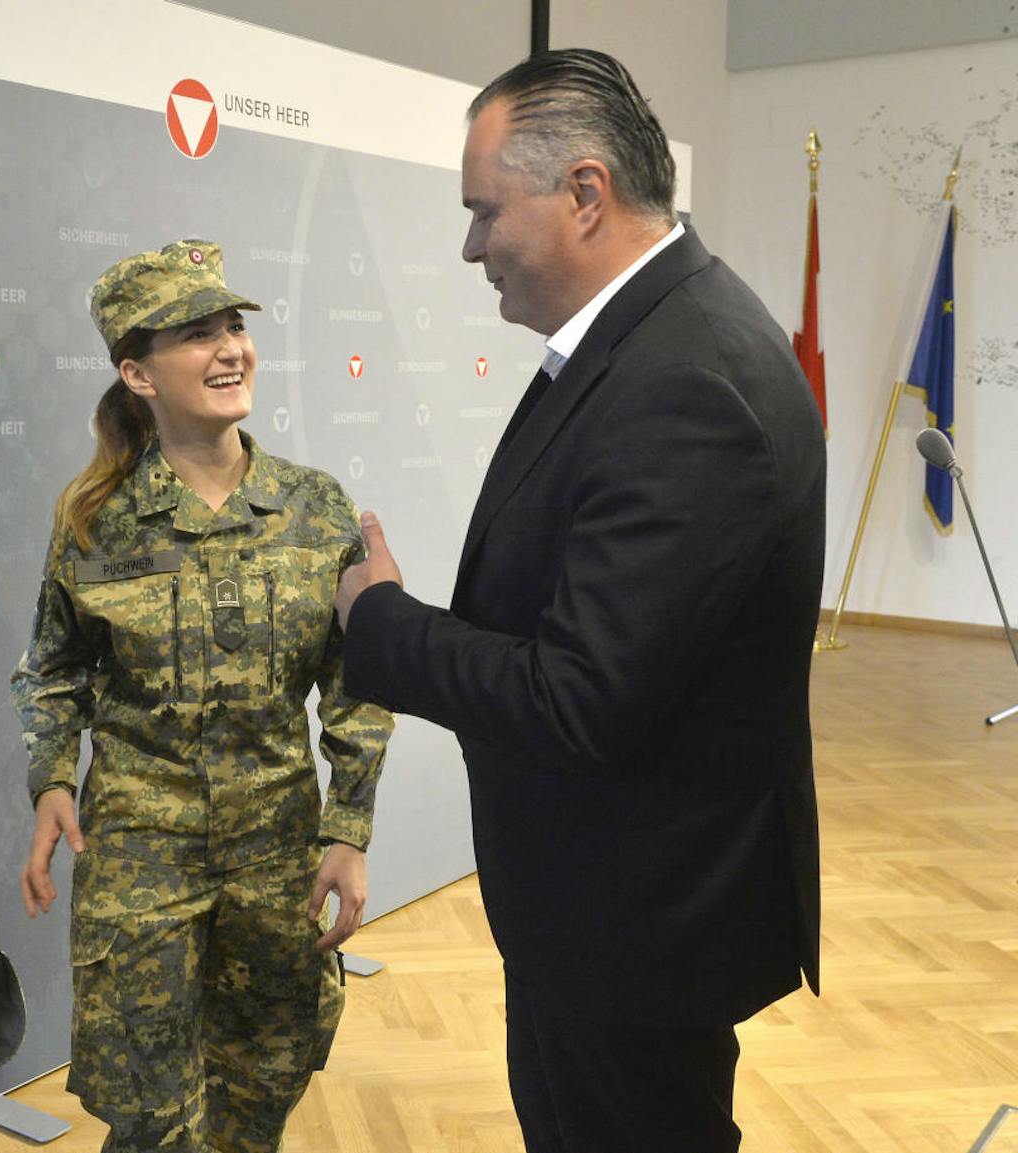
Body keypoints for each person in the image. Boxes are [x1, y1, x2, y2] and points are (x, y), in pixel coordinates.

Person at [333, 50, 825, 1152]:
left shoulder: (684, 378)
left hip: (639, 925)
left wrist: (380, 622)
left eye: (481, 212)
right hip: (603, 907)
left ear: (584, 195)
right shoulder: (649, 340)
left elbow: (576, 699)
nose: (469, 247)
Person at [10, 240, 393, 1153]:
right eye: (195, 335)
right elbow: (55, 667)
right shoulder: (93, 521)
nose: (229, 349)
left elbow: (355, 678)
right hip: (143, 854)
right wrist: (52, 779)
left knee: (263, 1086)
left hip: (277, 851)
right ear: (136, 372)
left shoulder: (314, 507)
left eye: (233, 326)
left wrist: (348, 825)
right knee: (152, 1111)